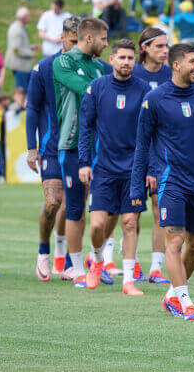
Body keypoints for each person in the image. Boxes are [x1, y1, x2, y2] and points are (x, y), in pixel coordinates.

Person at [130, 43, 194, 320]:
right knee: (174, 241)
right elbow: (142, 145)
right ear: (176, 65)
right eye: (192, 61)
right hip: (170, 182)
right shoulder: (155, 99)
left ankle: (171, 296)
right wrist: (135, 187)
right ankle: (186, 301)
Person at [77, 39, 150, 294]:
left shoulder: (143, 90)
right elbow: (85, 128)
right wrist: (84, 163)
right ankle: (96, 260)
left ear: (135, 61)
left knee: (129, 222)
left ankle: (128, 280)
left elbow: (151, 132)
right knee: (98, 225)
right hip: (104, 167)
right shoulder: (97, 88)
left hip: (133, 169)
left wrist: (149, 169)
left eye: (131, 58)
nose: (126, 62)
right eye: (121, 58)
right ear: (112, 60)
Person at [53, 17, 109, 289]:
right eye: (103, 39)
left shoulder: (100, 67)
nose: (106, 44)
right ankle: (75, 269)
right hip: (73, 144)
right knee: (75, 207)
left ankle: (97, 260)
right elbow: (88, 92)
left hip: (103, 147)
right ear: (89, 38)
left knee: (107, 208)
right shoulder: (62, 62)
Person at [26, 16, 78, 281]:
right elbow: (33, 107)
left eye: (81, 42)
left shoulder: (91, 68)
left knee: (73, 206)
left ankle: (69, 261)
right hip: (50, 147)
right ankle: (43, 251)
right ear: (62, 37)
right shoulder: (44, 67)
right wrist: (30, 147)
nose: (77, 46)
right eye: (73, 41)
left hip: (79, 148)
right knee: (53, 202)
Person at [132, 26, 172, 283]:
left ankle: (156, 268)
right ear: (144, 48)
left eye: (167, 46)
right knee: (131, 211)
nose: (165, 51)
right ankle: (132, 262)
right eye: (159, 46)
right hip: (133, 151)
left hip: (161, 153)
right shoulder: (132, 73)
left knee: (160, 208)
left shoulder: (171, 74)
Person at [6, 7, 38, 91]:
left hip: (20, 65)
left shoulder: (16, 26)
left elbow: (20, 45)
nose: (29, 18)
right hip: (20, 65)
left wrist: (31, 47)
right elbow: (16, 50)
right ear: (24, 17)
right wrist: (31, 53)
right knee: (22, 90)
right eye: (28, 16)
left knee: (22, 89)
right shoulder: (18, 30)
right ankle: (17, 104)